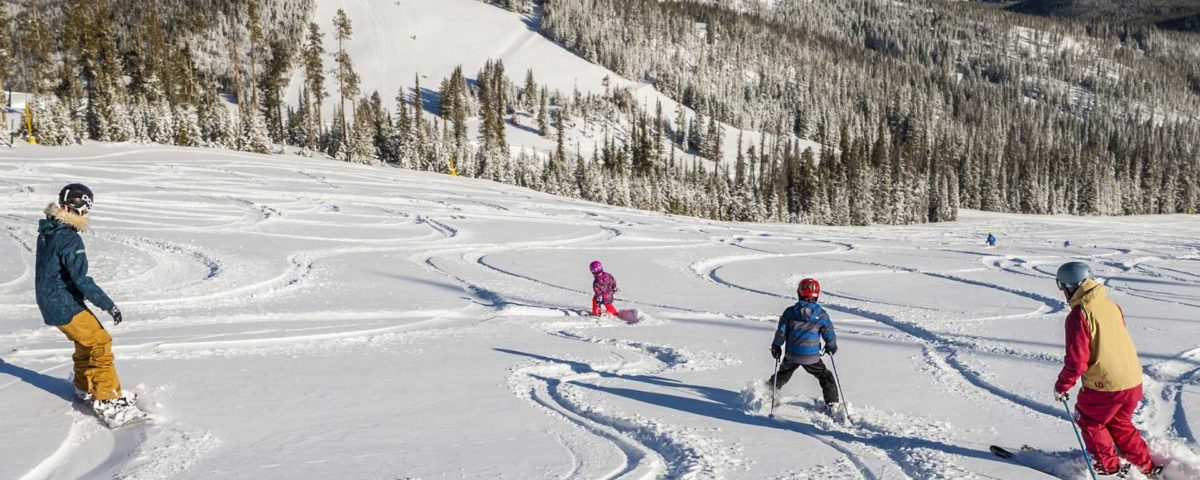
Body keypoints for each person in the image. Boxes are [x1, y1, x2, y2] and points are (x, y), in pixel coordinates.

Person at [36, 184, 140, 426]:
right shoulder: (68, 237)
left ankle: (84, 387)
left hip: (50, 300)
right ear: (71, 207)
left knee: (85, 342)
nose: (85, 212)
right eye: (84, 207)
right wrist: (108, 305)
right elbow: (81, 279)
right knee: (100, 342)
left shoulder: (49, 231)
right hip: (62, 302)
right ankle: (107, 399)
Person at [1053, 262, 1162, 477]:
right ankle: (1146, 467)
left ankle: (1109, 469)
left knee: (1090, 421)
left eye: (1062, 287)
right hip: (1132, 380)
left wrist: (1063, 385)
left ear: (1069, 286)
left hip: (1106, 385)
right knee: (1119, 422)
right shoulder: (1112, 306)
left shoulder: (1079, 314)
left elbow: (1077, 361)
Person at [769, 278, 839, 412]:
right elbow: (829, 333)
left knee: (783, 374)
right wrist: (831, 346)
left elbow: (781, 333)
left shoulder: (789, 312)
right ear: (817, 295)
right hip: (811, 356)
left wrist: (776, 346)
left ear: (799, 293)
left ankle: (766, 394)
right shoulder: (821, 315)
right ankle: (832, 405)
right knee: (825, 376)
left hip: (791, 355)